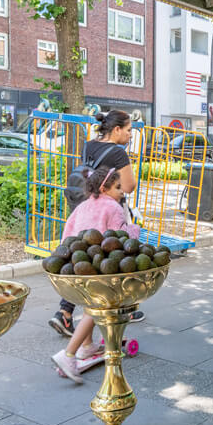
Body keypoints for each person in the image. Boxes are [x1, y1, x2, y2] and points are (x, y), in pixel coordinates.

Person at [50, 110, 143, 337]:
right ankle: (122, 308)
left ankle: (65, 312)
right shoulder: (118, 153)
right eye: (129, 130)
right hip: (107, 211)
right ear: (117, 129)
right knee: (112, 257)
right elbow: (128, 186)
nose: (131, 135)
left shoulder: (89, 145)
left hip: (84, 206)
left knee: (81, 254)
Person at [52, 166, 140, 381]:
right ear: (105, 188)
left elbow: (68, 232)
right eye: (118, 187)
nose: (122, 192)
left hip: (74, 264)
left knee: (86, 304)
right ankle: (68, 354)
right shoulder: (113, 208)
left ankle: (88, 345)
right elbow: (120, 238)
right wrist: (135, 228)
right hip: (99, 267)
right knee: (97, 308)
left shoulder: (82, 206)